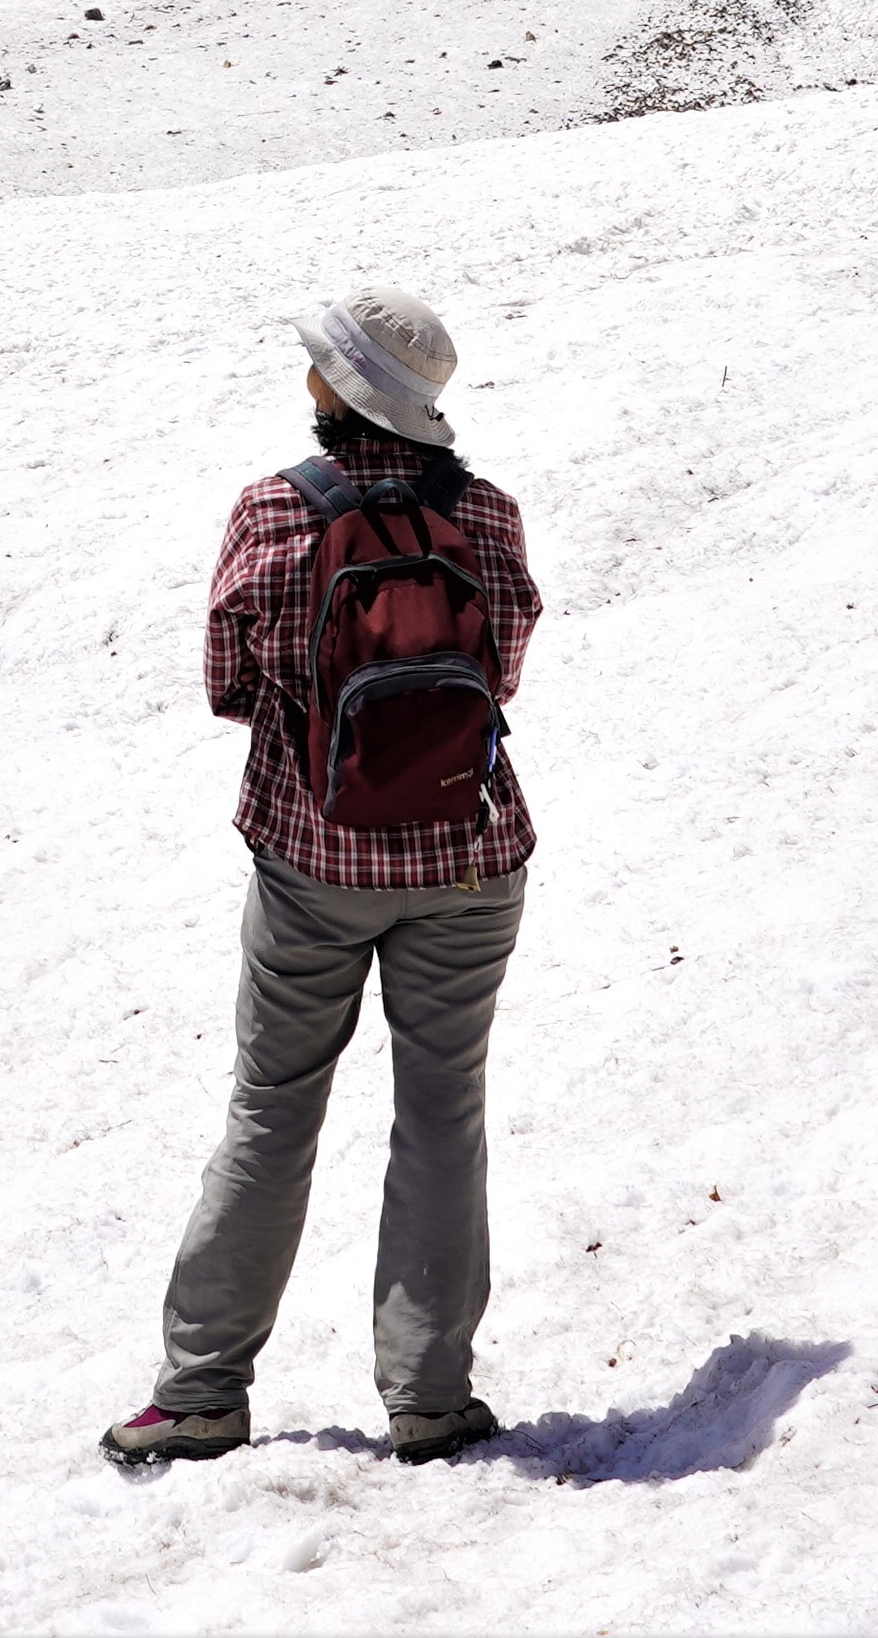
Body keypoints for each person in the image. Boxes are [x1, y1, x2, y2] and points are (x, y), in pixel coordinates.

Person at [102, 295, 540, 1468]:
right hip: (469, 855)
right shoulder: (486, 515)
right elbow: (503, 665)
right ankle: (432, 1398)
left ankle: (200, 1390)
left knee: (272, 1105)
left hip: (311, 858)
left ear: (340, 391)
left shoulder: (274, 509)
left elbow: (229, 679)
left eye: (317, 361)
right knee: (442, 1112)